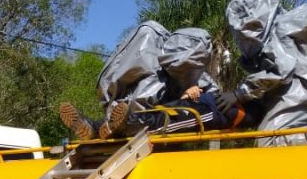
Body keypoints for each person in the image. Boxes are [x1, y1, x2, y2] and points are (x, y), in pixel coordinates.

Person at [217, 0, 307, 146]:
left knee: (269, 141)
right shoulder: (279, 29)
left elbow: (282, 71)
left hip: (296, 91)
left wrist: (240, 93)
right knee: (269, 139)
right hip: (291, 91)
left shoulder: (279, 29)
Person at [61, 26, 245, 139]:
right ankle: (96, 127)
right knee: (151, 114)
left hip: (164, 117)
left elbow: (213, 102)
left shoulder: (204, 83)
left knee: (168, 116)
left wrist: (193, 93)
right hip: (152, 114)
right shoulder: (159, 72)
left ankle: (107, 126)